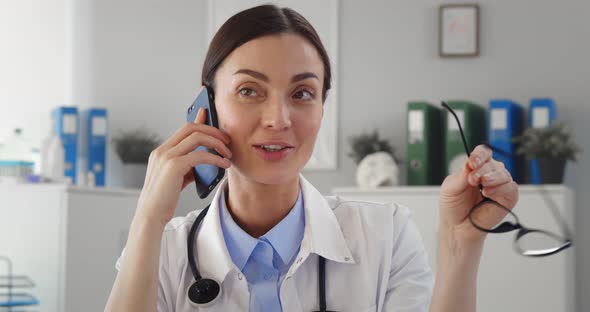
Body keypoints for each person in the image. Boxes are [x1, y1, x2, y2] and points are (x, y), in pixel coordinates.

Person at [105, 4, 519, 312]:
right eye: (249, 90)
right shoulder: (163, 248)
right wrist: (147, 219)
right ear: (208, 104)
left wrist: (461, 244)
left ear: (322, 106)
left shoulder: (385, 234)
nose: (278, 119)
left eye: (302, 93)